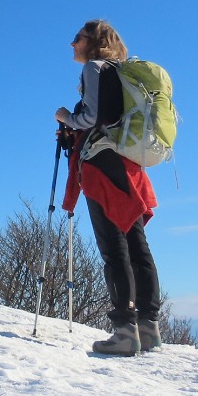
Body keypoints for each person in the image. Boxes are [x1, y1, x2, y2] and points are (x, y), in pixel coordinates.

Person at [54, 19, 162, 356]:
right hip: (127, 165)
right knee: (135, 244)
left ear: (93, 42)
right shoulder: (120, 71)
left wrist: (65, 118)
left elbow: (93, 117)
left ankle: (124, 331)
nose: (72, 44)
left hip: (102, 165)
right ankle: (148, 328)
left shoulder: (94, 69)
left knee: (113, 247)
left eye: (78, 38)